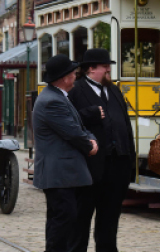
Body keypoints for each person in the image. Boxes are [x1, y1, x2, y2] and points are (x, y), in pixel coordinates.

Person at [67, 48, 135, 252]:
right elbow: (67, 123)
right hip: (89, 167)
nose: (108, 70)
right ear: (90, 69)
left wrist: (129, 161)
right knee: (81, 218)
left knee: (110, 220)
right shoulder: (75, 91)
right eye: (105, 67)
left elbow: (126, 126)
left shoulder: (113, 90)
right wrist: (88, 115)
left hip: (117, 167)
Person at [33, 54, 98, 252]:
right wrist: (90, 145)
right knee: (63, 221)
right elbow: (72, 132)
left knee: (62, 219)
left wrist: (90, 137)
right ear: (65, 77)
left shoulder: (58, 97)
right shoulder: (52, 101)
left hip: (63, 174)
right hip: (59, 173)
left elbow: (78, 125)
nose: (76, 77)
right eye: (73, 74)